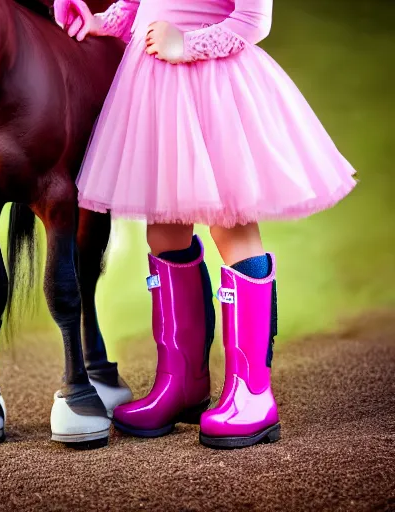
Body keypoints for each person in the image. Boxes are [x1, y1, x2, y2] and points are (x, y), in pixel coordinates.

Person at [54, 0, 357, 448]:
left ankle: (252, 392)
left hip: (212, 85)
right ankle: (182, 380)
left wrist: (187, 44)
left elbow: (254, 19)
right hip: (154, 89)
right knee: (164, 230)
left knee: (229, 226)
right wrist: (104, 21)